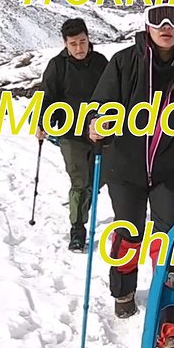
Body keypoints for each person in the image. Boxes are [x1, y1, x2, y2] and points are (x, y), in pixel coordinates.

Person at [87, 2, 174, 319]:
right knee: (128, 234)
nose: (165, 25)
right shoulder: (124, 62)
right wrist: (96, 122)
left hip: (170, 171)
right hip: (124, 169)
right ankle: (124, 290)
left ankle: (167, 302)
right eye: (157, 17)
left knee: (169, 240)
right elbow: (102, 103)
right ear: (146, 24)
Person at [36, 17, 108, 251]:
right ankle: (78, 230)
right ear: (65, 44)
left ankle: (86, 196)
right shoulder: (57, 65)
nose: (79, 48)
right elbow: (46, 97)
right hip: (71, 133)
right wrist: (42, 123)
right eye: (73, 44)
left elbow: (113, 93)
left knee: (96, 180)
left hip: (100, 131)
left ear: (89, 39)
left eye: (82, 42)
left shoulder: (101, 62)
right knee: (79, 182)